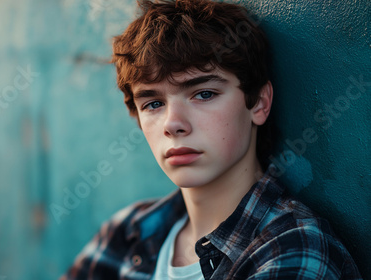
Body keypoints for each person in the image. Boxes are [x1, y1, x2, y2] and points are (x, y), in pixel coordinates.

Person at [60, 0, 363, 279]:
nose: (173, 124)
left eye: (204, 94)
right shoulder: (129, 231)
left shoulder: (294, 248)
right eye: (153, 103)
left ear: (258, 102)